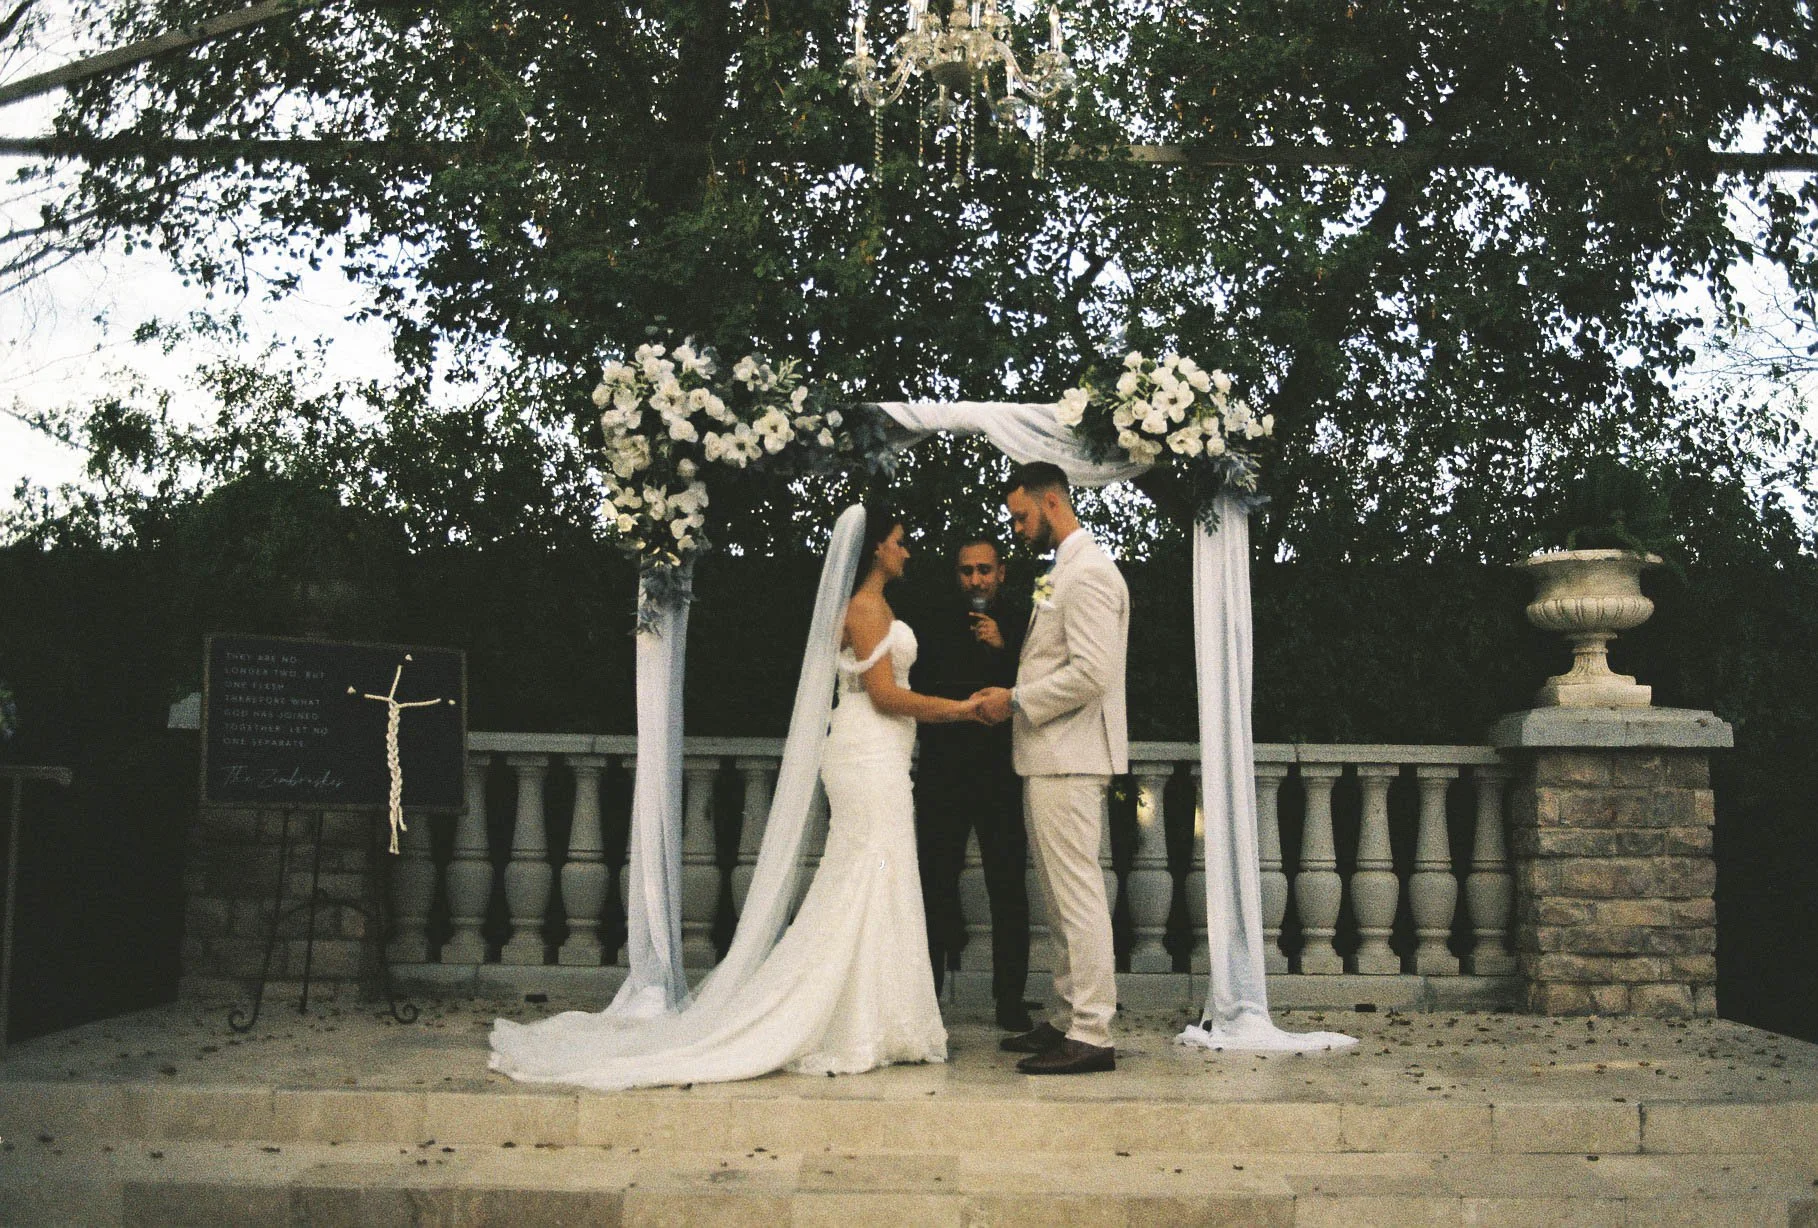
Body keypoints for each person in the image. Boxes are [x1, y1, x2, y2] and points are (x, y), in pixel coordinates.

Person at [488, 507, 987, 1089]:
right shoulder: (866, 608)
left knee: (874, 871)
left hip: (878, 752)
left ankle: (875, 1013)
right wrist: (961, 709)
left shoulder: (875, 608)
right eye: (900, 542)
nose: (907, 551)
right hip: (869, 749)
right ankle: (855, 1019)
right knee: (868, 869)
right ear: (877, 548)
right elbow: (883, 696)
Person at [975, 462, 1129, 1076]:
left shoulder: (1089, 573)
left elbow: (1094, 673)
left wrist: (1014, 700)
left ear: (1052, 501)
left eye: (1021, 516)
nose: (1015, 528)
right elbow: (1047, 658)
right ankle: (1072, 1020)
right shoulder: (1057, 573)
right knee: (1063, 901)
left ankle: (1093, 1031)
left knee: (1079, 898)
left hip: (1070, 757)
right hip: (1047, 757)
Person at [909, 537, 1033, 1033]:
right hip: (944, 770)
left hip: (1001, 772)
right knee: (935, 883)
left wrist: (1004, 651)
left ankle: (1010, 1001)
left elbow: (1035, 689)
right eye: (966, 571)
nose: (976, 580)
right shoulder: (934, 619)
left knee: (1008, 886)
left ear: (1002, 572)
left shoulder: (1024, 622)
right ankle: (927, 999)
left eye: (984, 570)